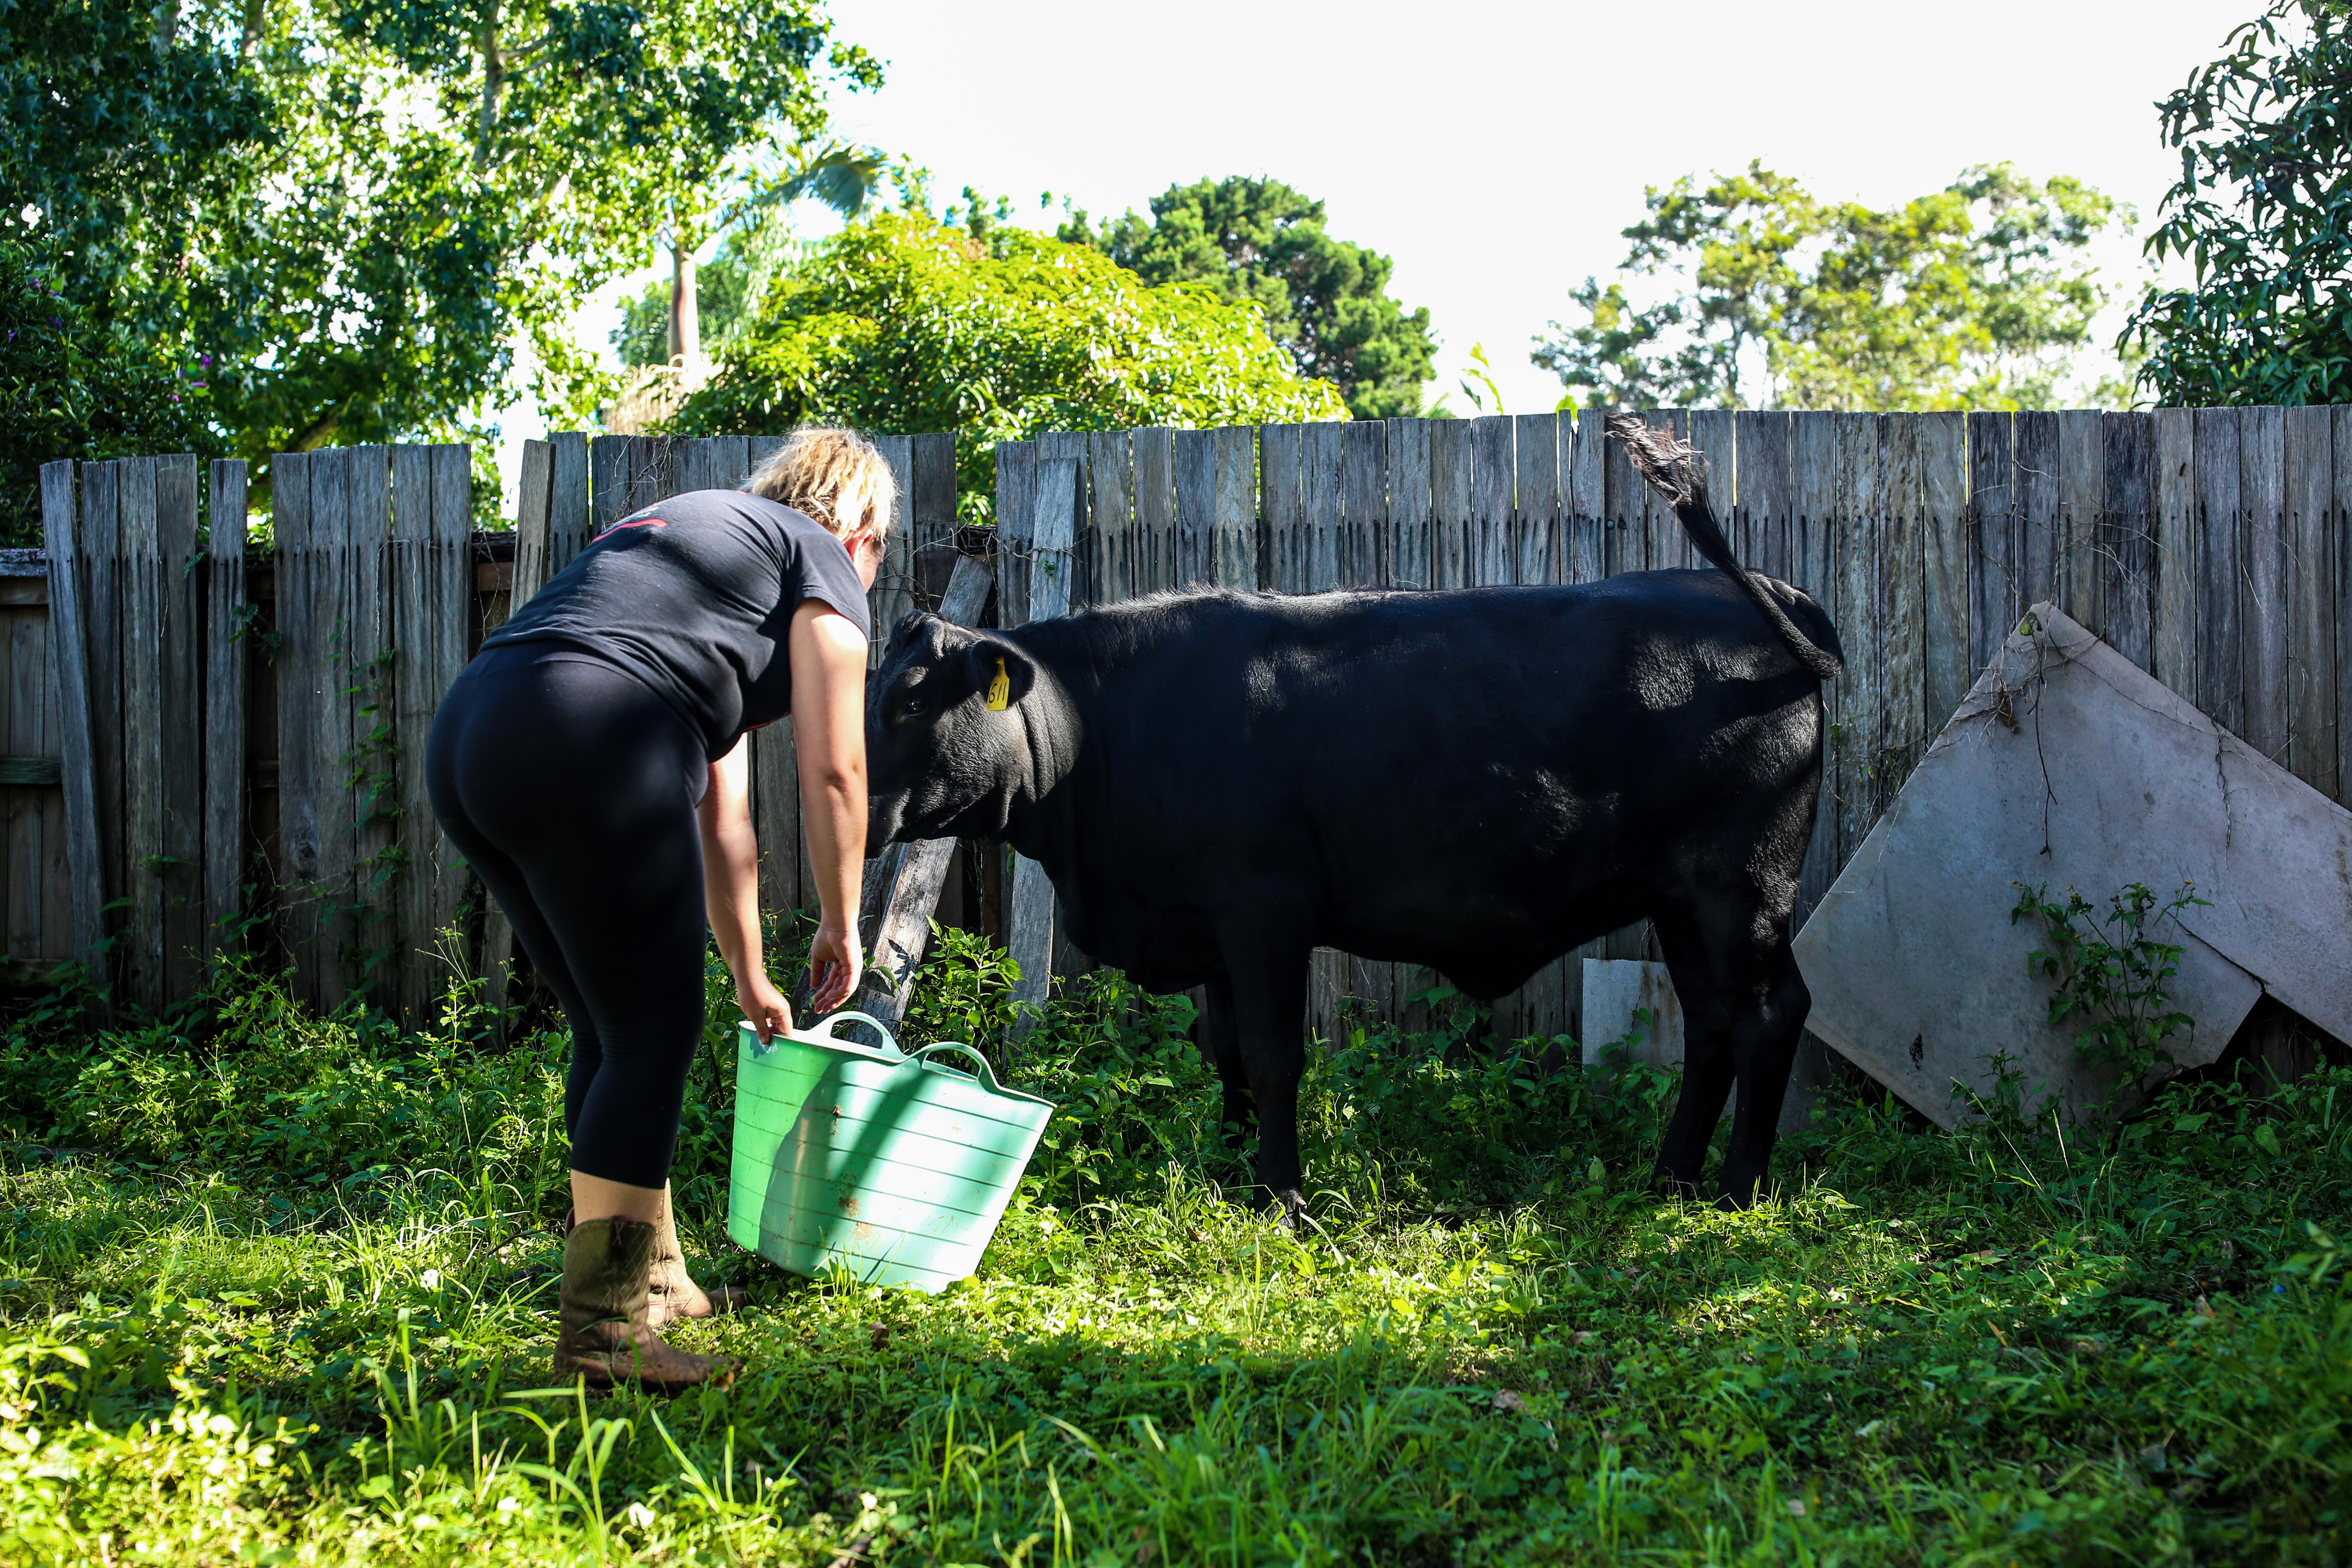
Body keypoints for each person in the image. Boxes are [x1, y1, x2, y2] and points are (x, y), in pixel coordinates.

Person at [427, 425, 885, 1390]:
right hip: (590, 727)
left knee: (611, 1026)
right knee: (650, 1034)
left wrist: (751, 971)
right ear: (863, 533)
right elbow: (838, 770)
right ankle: (602, 1338)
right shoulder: (822, 561)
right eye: (876, 555)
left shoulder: (706, 561)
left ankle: (654, 1279)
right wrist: (845, 923)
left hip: (477, 727)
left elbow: (728, 823)